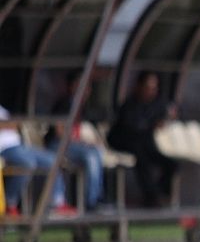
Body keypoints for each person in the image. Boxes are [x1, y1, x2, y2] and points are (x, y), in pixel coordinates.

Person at [107, 71, 177, 208]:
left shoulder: (156, 103)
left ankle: (158, 194)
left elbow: (172, 108)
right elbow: (132, 127)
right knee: (142, 159)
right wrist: (152, 124)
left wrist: (170, 115)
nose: (151, 91)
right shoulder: (130, 105)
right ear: (139, 87)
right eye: (148, 88)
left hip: (145, 145)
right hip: (125, 142)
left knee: (172, 164)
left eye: (153, 88)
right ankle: (152, 196)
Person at [44, 73, 105, 211]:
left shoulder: (82, 106)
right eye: (82, 86)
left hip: (73, 146)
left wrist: (87, 142)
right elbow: (60, 133)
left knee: (97, 152)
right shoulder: (65, 103)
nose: (87, 90)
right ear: (73, 87)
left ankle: (96, 197)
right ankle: (91, 201)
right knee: (90, 156)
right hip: (56, 145)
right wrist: (81, 143)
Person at [1, 104, 70, 216]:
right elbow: (10, 124)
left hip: (21, 146)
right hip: (4, 149)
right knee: (28, 163)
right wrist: (7, 124)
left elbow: (15, 124)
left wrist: (7, 124)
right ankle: (10, 204)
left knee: (53, 160)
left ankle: (57, 203)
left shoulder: (3, 109)